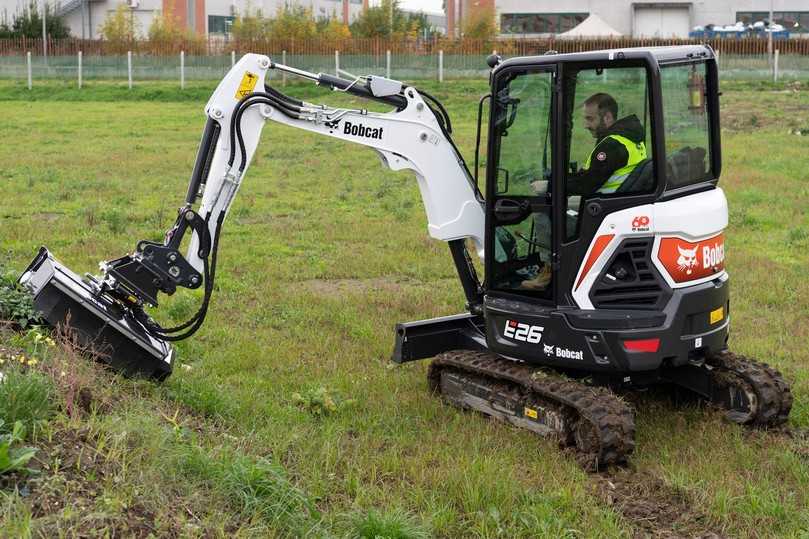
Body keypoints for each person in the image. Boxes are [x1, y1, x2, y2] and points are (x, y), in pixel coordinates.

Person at [568, 93, 647, 196]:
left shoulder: (611, 146)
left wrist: (551, 184)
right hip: (618, 201)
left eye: (590, 119)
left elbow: (585, 185)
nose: (586, 125)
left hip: (607, 205)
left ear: (608, 118)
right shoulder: (630, 137)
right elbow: (594, 175)